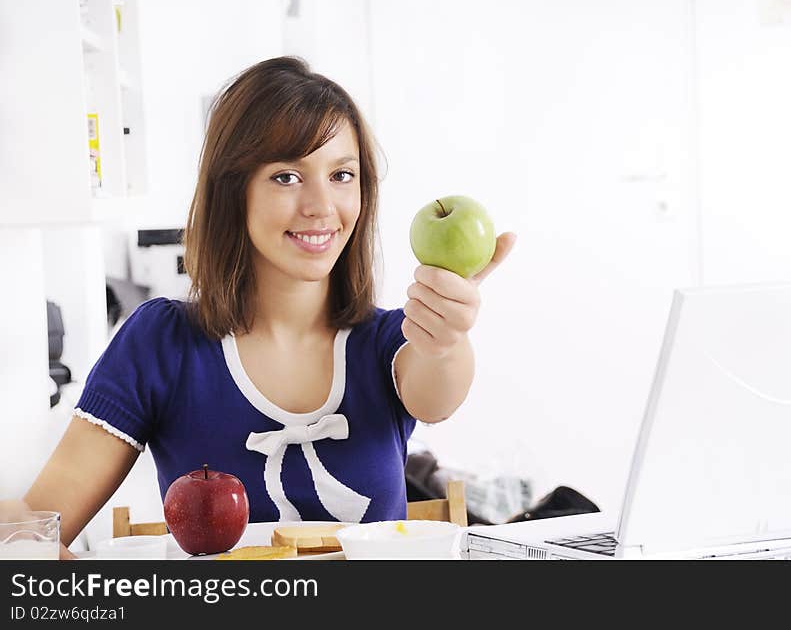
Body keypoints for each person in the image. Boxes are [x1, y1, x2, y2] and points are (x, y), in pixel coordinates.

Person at [20, 56, 515, 557]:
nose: (322, 205)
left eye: (342, 175)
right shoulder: (162, 343)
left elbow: (438, 390)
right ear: (233, 191)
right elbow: (38, 526)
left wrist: (446, 335)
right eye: (286, 177)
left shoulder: (390, 342)